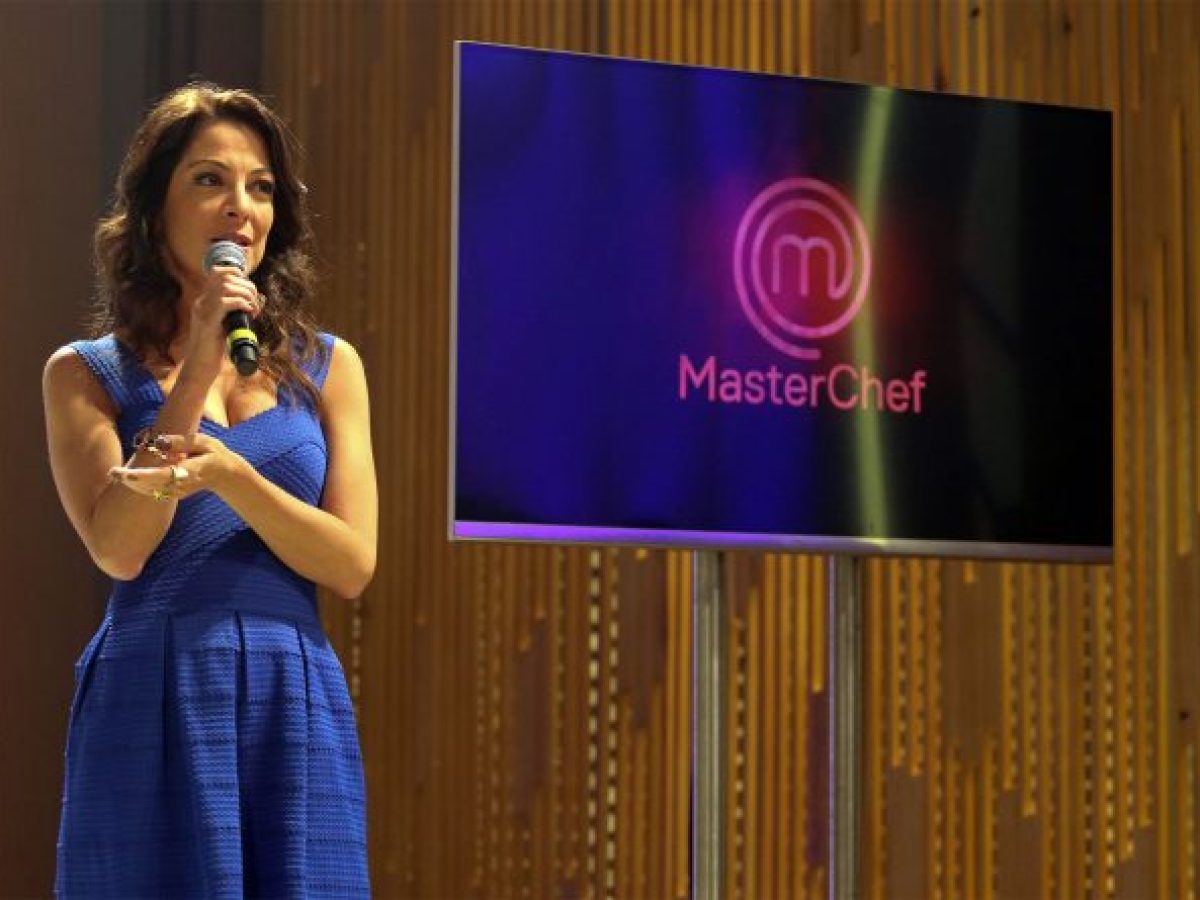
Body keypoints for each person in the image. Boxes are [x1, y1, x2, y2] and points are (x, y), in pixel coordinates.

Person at [42, 83, 377, 897]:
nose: (240, 207)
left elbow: (351, 563)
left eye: (260, 187)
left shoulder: (329, 367)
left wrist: (229, 474)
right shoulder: (85, 375)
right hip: (154, 687)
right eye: (209, 180)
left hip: (291, 691)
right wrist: (195, 367)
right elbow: (120, 549)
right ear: (153, 210)